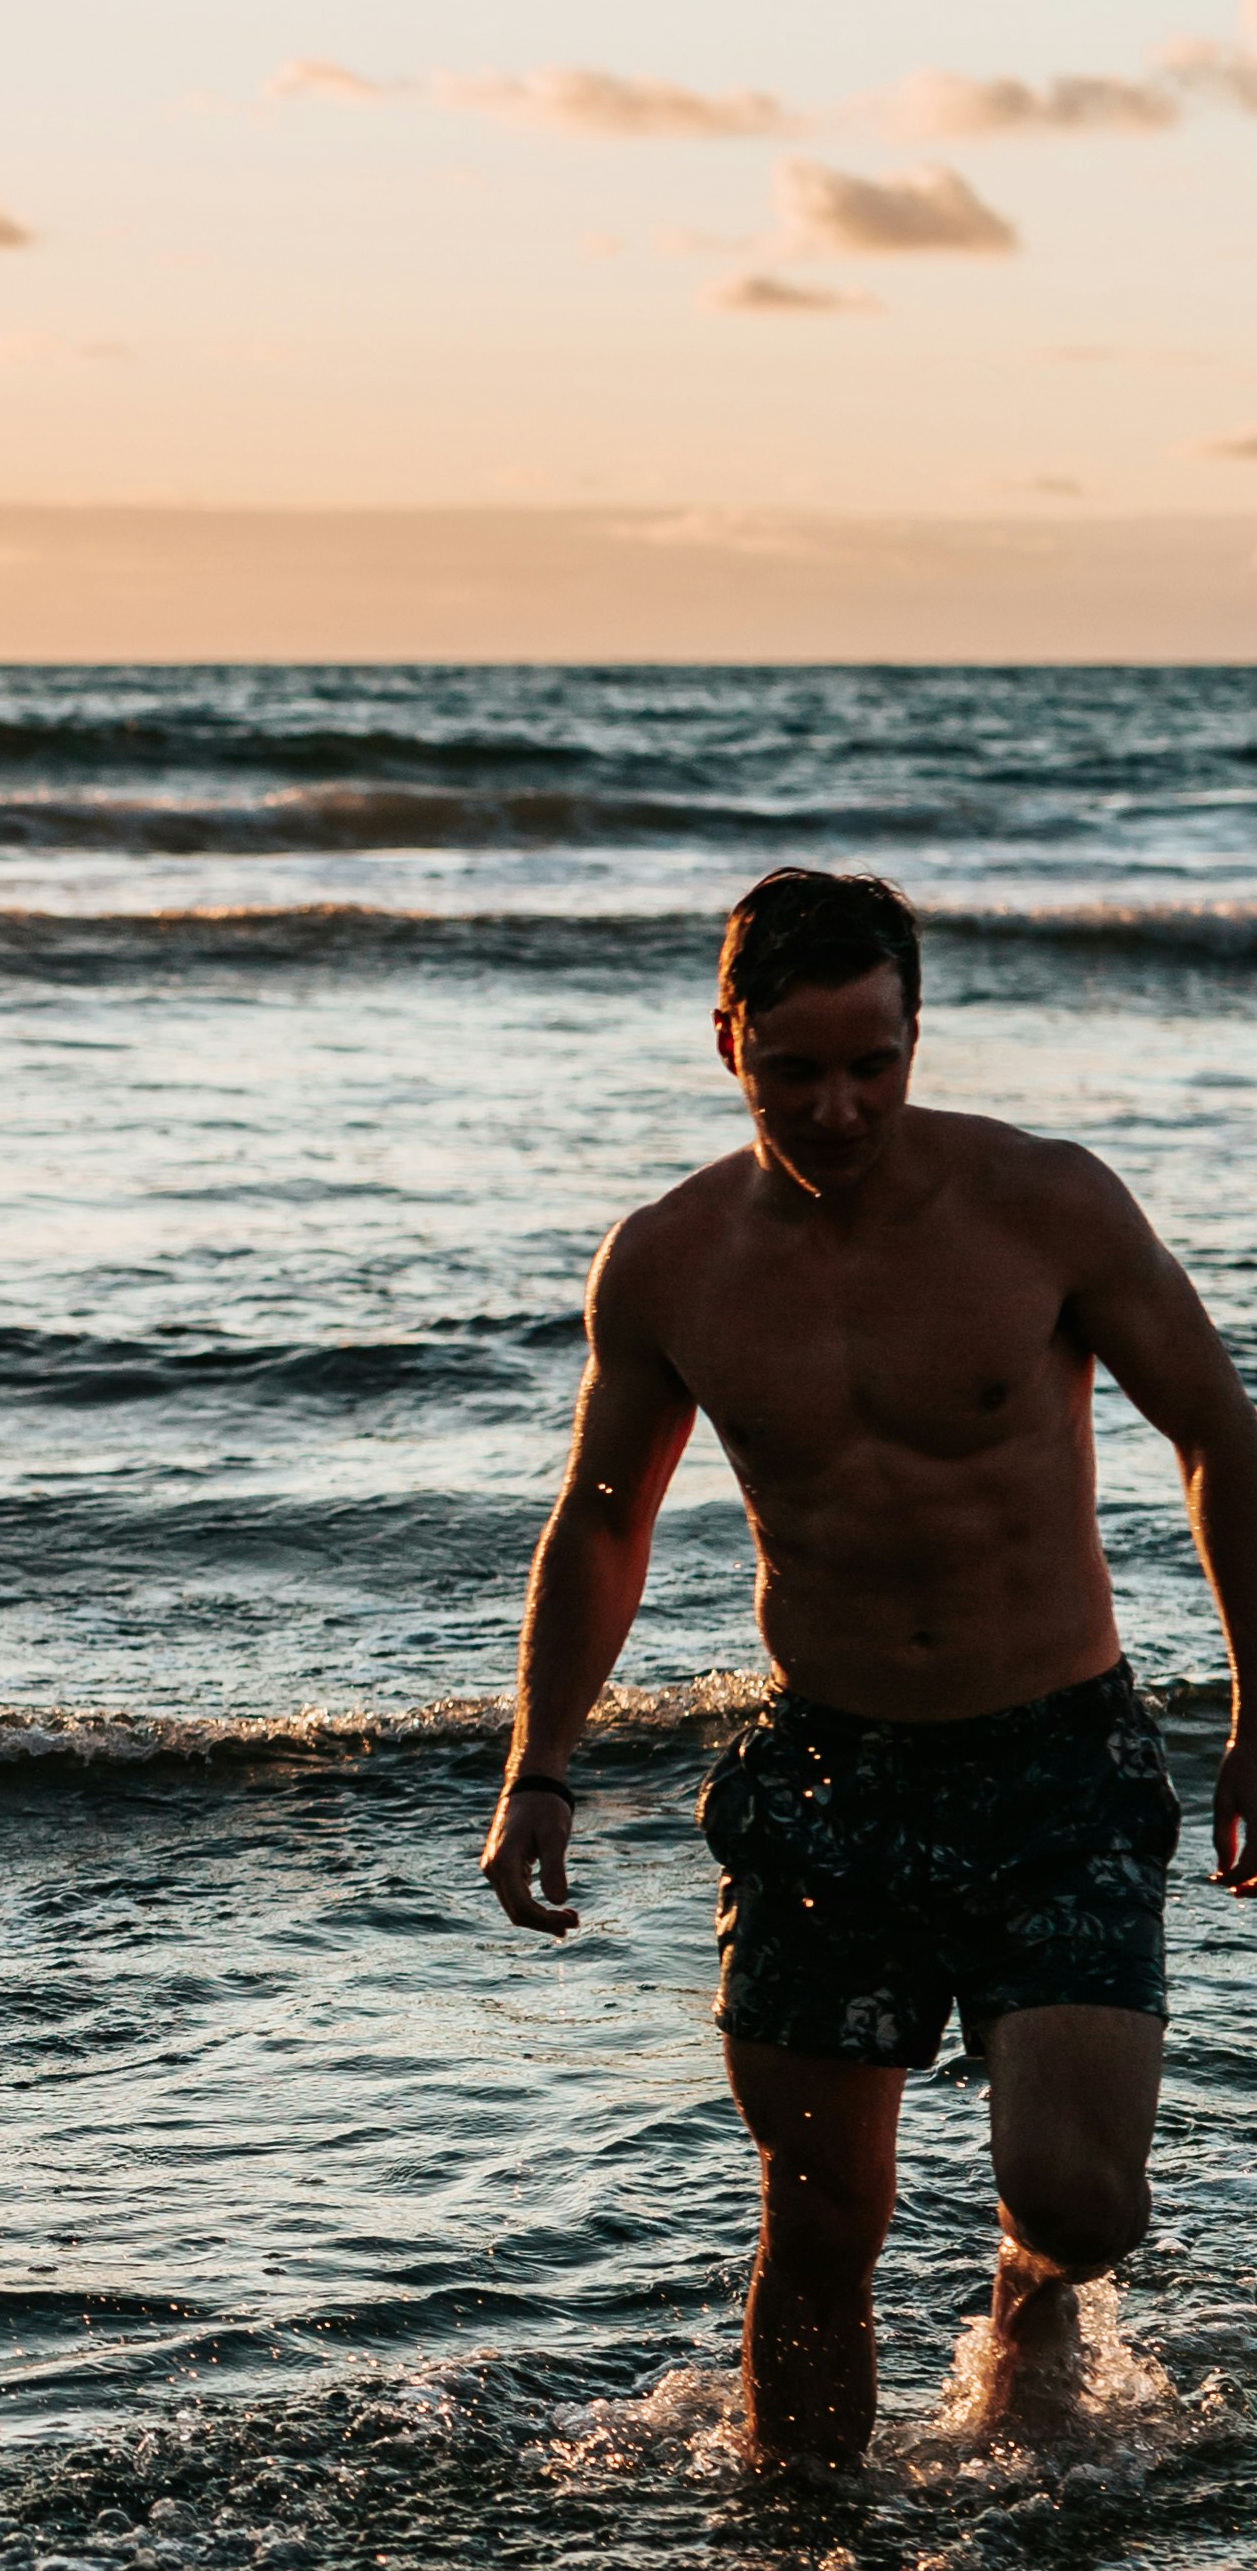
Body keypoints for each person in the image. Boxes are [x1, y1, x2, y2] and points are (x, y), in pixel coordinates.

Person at [480, 864, 1257, 2468]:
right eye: (796, 1070)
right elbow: (603, 1518)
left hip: (1058, 1759)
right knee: (824, 2223)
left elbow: (1219, 1433)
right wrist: (537, 1765)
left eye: (872, 1063)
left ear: (916, 1036)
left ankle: (1026, 2303)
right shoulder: (671, 1260)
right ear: (728, 1042)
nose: (838, 1107)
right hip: (829, 1776)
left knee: (1082, 2199)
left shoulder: (1047, 1204)